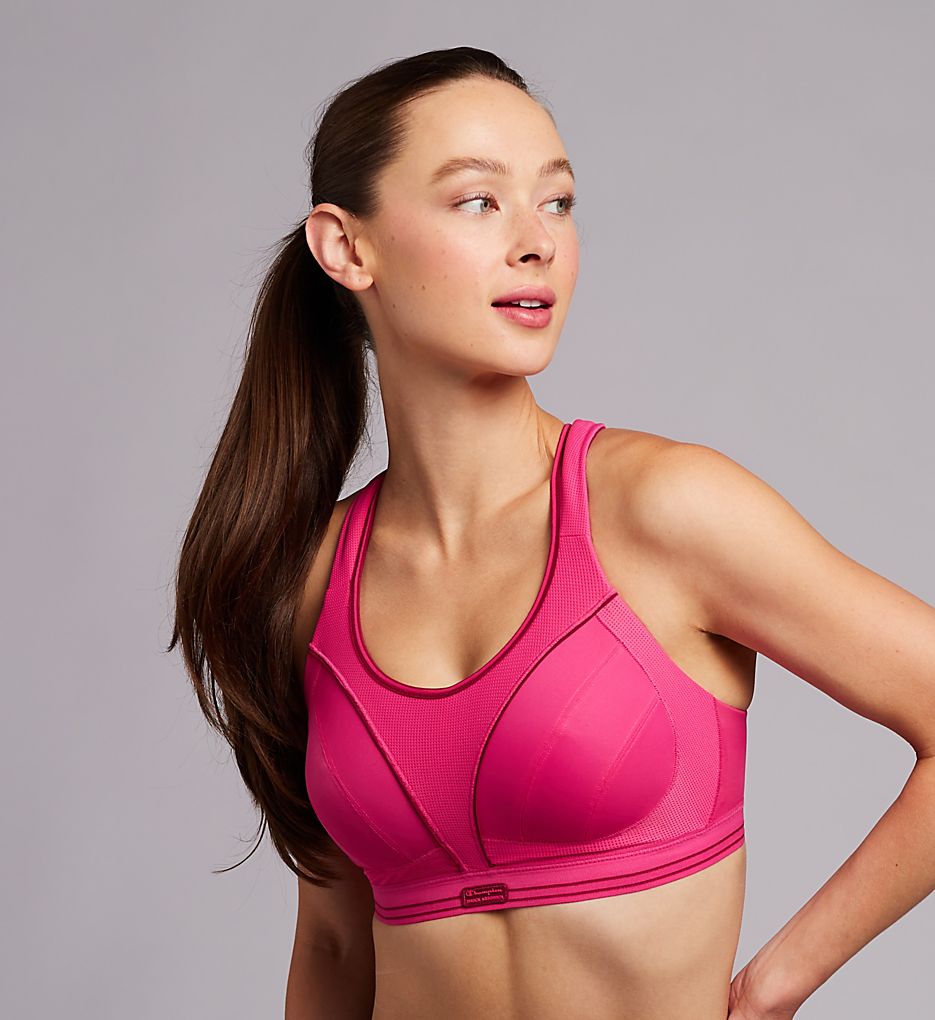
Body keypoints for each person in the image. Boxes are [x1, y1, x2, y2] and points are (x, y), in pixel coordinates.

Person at [168, 46, 935, 1020]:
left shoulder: (662, 509)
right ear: (345, 248)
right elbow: (330, 942)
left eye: (558, 202)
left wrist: (775, 985)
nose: (536, 242)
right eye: (477, 201)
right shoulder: (311, 581)